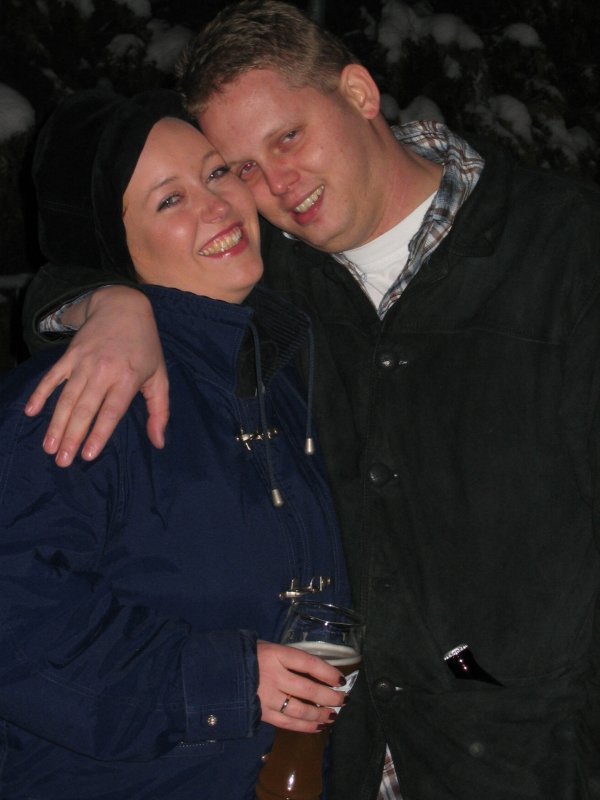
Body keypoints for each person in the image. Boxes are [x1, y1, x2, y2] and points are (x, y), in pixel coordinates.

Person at [21, 1, 600, 798]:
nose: (275, 186)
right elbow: (98, 251)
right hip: (347, 765)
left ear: (359, 93)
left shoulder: (565, 250)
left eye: (288, 137)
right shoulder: (273, 278)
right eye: (240, 167)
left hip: (530, 764)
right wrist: (102, 303)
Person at [0, 85, 352, 800]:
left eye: (216, 172)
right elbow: (15, 622)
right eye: (170, 200)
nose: (217, 205)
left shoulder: (280, 368)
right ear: (114, 245)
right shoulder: (83, 392)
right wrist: (224, 681)